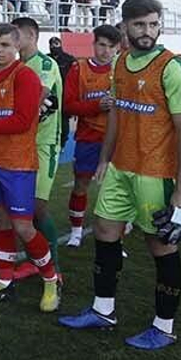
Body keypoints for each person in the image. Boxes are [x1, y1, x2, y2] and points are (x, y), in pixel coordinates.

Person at [58, 0, 181, 349]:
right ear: (125, 27)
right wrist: (105, 157)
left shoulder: (171, 68)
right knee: (105, 230)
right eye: (139, 25)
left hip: (156, 173)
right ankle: (103, 310)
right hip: (121, 167)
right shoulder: (119, 63)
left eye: (153, 24)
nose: (147, 31)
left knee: (160, 246)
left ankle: (164, 326)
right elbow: (117, 114)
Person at [0, 24, 61, 312]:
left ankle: (51, 279)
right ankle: (4, 284)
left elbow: (22, 121)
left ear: (17, 46)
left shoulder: (26, 77)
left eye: (5, 44)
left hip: (18, 165)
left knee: (23, 226)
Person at [13, 16, 65, 274]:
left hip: (44, 143)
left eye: (16, 36)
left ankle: (51, 263)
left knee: (37, 207)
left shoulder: (45, 63)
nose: (12, 41)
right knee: (23, 208)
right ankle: (36, 260)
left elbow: (37, 97)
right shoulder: (17, 65)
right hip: (21, 143)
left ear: (31, 35)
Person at [62, 25, 119, 247]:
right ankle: (76, 231)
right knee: (81, 184)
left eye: (110, 46)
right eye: (101, 45)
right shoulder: (79, 69)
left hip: (117, 138)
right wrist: (97, 105)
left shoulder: (122, 69)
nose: (105, 51)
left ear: (117, 48)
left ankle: (117, 232)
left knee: (116, 187)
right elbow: (68, 105)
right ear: (94, 44)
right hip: (89, 137)